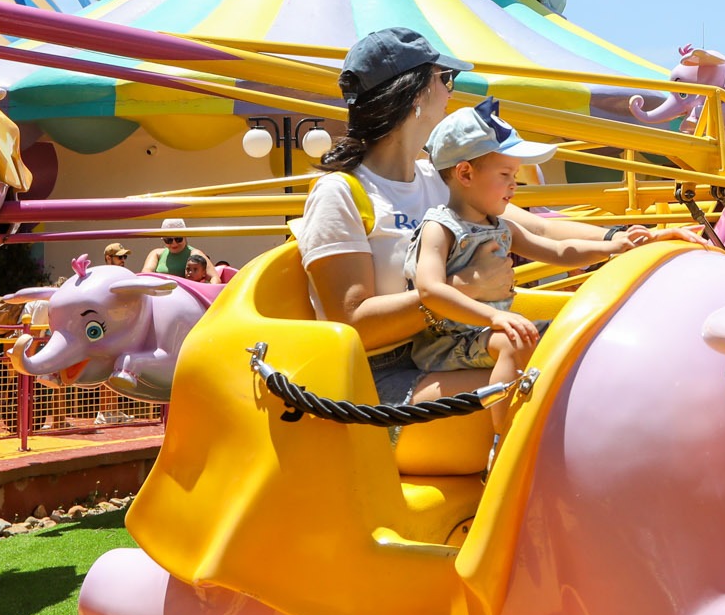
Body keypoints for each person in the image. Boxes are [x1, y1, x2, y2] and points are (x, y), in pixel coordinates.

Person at [293, 27, 688, 402]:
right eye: (444, 78)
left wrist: (626, 240)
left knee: (595, 359)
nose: (451, 90)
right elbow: (352, 324)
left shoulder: (437, 178)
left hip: (453, 348)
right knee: (566, 384)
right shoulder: (341, 192)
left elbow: (537, 228)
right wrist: (464, 287)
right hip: (379, 379)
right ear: (413, 94)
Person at [405, 102, 650, 447]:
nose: (514, 184)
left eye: (514, 175)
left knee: (564, 336)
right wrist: (494, 318)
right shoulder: (440, 227)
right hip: (446, 343)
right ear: (464, 174)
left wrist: (613, 245)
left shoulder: (502, 227)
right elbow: (430, 290)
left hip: (485, 334)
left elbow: (558, 251)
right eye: (505, 175)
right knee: (514, 340)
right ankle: (506, 440)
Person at [142, 222, 209, 280]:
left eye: (178, 239)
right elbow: (145, 275)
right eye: (169, 240)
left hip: (185, 293)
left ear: (185, 237)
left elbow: (214, 279)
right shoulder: (156, 253)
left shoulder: (195, 253)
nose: (174, 243)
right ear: (163, 240)